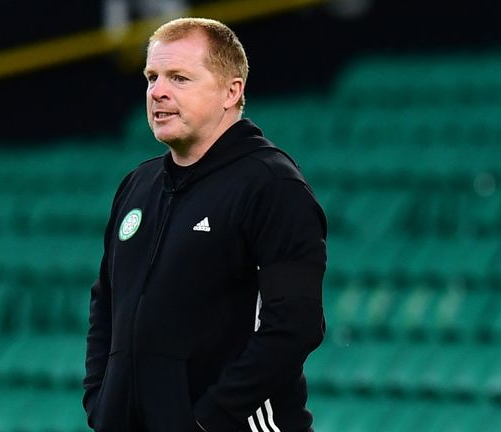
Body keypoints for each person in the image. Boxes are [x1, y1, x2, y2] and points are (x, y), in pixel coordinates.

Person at [83, 17, 327, 432]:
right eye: (152, 77)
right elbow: (106, 301)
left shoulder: (271, 185)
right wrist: (102, 400)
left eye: (179, 78)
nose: (157, 91)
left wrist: (206, 420)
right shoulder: (137, 185)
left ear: (232, 92)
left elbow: (295, 326)